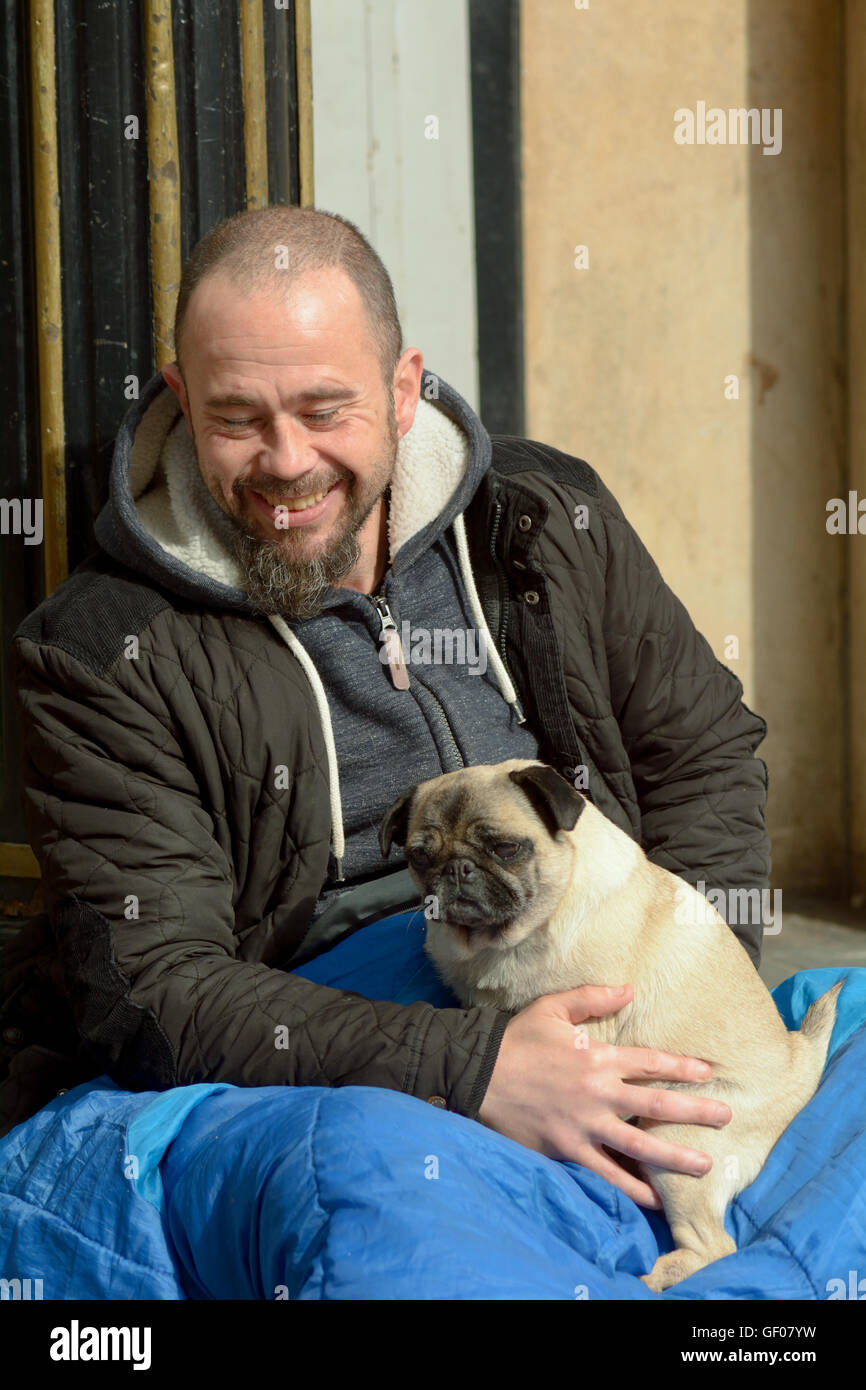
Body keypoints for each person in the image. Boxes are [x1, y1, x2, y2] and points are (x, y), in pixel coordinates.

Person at [0, 204, 771, 1213]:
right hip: (324, 1030)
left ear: (404, 389)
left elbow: (702, 753)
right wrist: (474, 1066)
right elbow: (154, 983)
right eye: (237, 417)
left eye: (325, 410)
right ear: (182, 403)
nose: (285, 462)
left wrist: (675, 1014)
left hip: (595, 963)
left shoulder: (543, 518)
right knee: (408, 1219)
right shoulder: (102, 648)